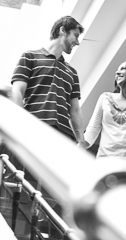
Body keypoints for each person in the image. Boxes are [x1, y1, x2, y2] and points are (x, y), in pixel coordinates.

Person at [11, 16, 86, 144]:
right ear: (62, 30)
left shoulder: (72, 72)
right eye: (76, 35)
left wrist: (81, 141)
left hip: (63, 136)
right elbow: (17, 92)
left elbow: (75, 110)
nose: (77, 42)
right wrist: (20, 126)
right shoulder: (29, 57)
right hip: (34, 128)